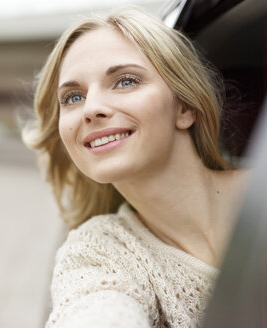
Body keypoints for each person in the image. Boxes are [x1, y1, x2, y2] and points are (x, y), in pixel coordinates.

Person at [22, 6, 248, 328]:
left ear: (184, 107)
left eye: (125, 81)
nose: (92, 109)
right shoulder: (98, 253)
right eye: (73, 98)